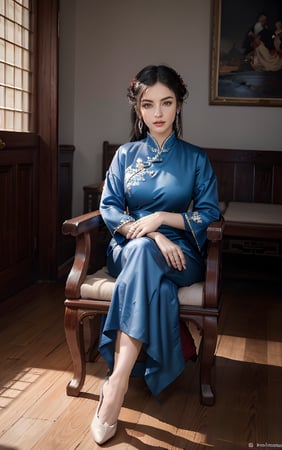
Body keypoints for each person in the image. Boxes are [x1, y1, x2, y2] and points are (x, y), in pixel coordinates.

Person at [90, 64, 220, 444]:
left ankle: (114, 386)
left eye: (167, 102)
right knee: (147, 252)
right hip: (129, 247)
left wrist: (163, 220)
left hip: (181, 254)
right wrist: (148, 234)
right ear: (138, 108)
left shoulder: (196, 159)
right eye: (149, 104)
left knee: (154, 264)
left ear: (179, 105)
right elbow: (110, 208)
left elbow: (210, 213)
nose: (158, 113)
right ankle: (117, 386)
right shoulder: (125, 156)